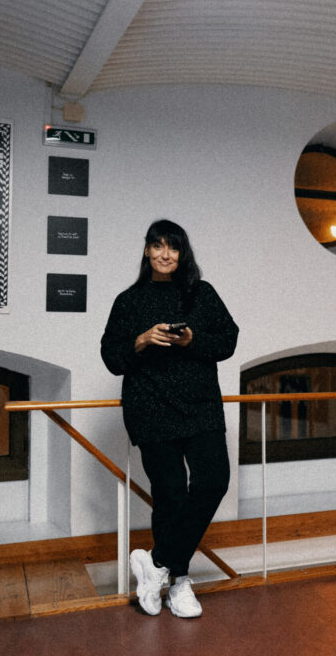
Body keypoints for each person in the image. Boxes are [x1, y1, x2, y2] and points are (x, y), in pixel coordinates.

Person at [101, 219, 239, 618]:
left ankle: (157, 564)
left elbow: (228, 340)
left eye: (173, 247)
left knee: (214, 480)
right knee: (171, 495)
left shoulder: (201, 293)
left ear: (182, 254)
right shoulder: (128, 301)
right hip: (150, 407)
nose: (165, 254)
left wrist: (192, 339)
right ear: (147, 250)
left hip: (200, 405)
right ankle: (178, 584)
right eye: (158, 246)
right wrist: (141, 340)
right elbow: (112, 358)